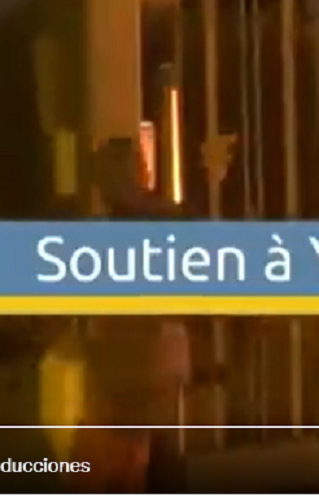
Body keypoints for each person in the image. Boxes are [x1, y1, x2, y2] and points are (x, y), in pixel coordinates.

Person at [74, 139, 192, 492]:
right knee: (138, 451)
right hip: (166, 359)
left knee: (107, 460)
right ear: (142, 172)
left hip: (119, 364)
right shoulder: (176, 220)